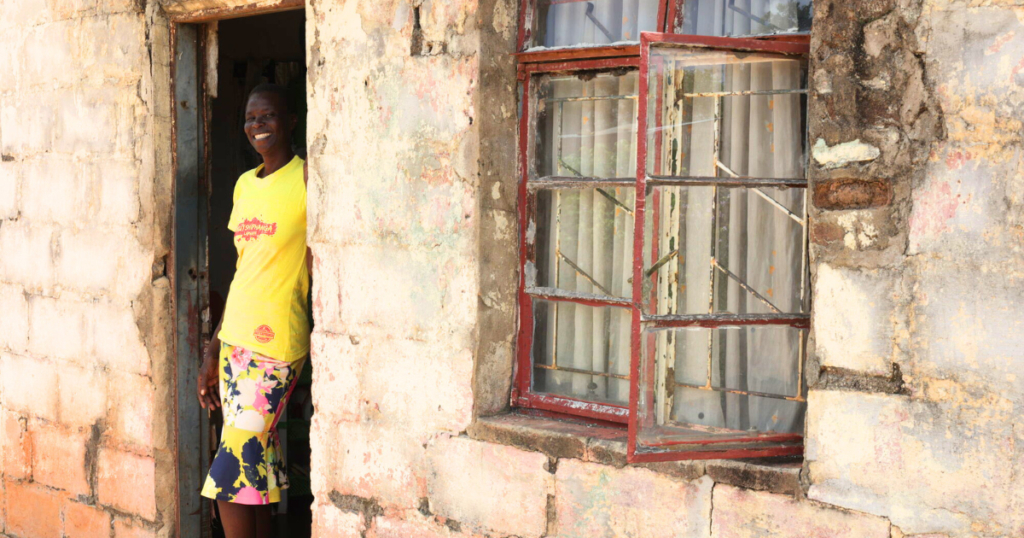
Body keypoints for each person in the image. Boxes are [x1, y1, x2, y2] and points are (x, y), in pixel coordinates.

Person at [197, 82, 311, 538]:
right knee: (255, 464)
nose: (257, 126)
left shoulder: (306, 179)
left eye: (267, 117)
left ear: (290, 123)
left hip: (277, 342)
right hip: (234, 343)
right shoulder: (245, 184)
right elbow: (244, 271)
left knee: (230, 469)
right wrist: (211, 350)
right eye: (250, 118)